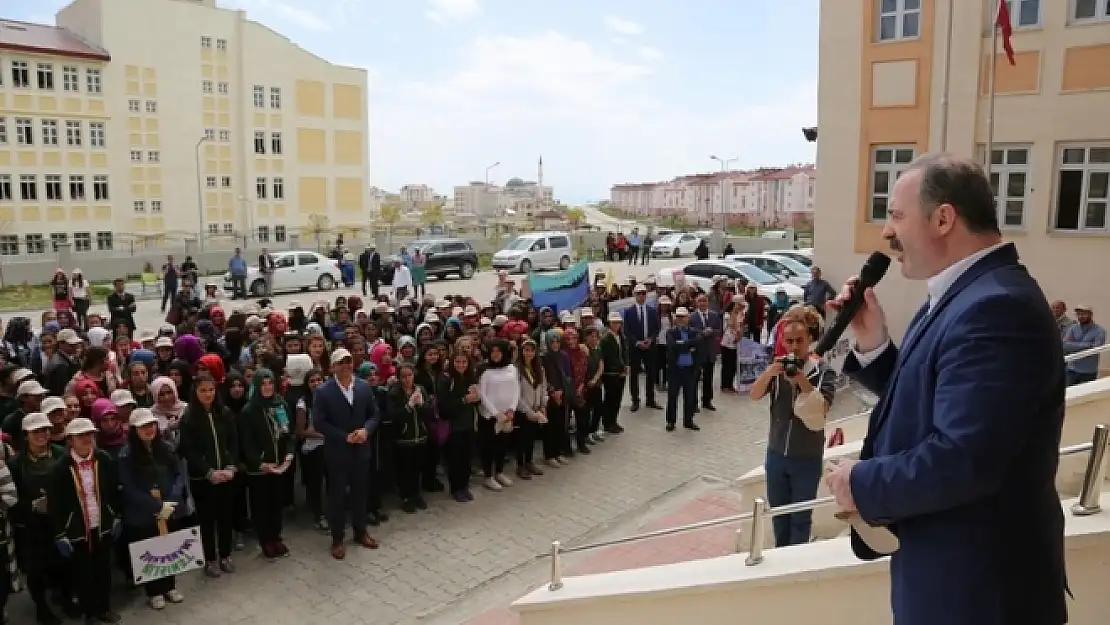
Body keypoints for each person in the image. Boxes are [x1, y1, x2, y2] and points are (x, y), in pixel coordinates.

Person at [824, 154, 1067, 625]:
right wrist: (873, 343)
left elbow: (964, 458)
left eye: (896, 216)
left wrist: (859, 481)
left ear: (943, 218)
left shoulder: (995, 307)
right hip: (952, 585)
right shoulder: (964, 294)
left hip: (979, 598)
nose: (887, 233)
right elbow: (933, 400)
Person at [748, 306, 834, 547]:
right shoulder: (777, 370)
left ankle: (796, 560)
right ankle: (780, 556)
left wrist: (802, 381)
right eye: (789, 341)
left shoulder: (823, 373)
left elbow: (823, 409)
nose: (794, 347)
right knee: (778, 514)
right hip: (776, 454)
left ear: (810, 340)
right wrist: (770, 373)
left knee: (800, 518)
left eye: (799, 341)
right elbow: (754, 395)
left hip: (806, 458)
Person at [49, 417, 122, 624]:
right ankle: (89, 612)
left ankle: (104, 608)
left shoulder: (104, 459)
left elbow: (115, 491)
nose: (86, 439)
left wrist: (116, 516)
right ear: (70, 440)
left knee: (103, 570)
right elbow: (56, 504)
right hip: (77, 529)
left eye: (89, 434)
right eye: (81, 436)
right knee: (83, 574)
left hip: (102, 525)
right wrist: (60, 533)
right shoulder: (60, 468)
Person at [312, 347, 381, 560]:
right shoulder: (324, 392)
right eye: (341, 362)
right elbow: (319, 422)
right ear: (333, 366)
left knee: (360, 494)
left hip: (361, 451)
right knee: (337, 497)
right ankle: (337, 539)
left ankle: (361, 531)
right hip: (338, 453)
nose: (346, 366)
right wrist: (343, 436)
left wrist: (366, 430)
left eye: (349, 361)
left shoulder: (363, 387)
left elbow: (375, 414)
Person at [117, 408, 187, 611]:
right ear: (134, 430)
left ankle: (170, 586)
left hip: (169, 508)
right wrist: (156, 505)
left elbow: (178, 474)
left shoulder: (166, 448)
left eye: (151, 425)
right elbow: (128, 487)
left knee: (169, 547)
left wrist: (172, 498)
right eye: (143, 426)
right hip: (143, 513)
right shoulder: (126, 454)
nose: (149, 429)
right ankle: (154, 591)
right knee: (150, 552)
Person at [664, 307, 701, 432]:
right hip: (675, 369)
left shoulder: (694, 331)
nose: (680, 319)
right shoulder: (670, 332)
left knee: (689, 396)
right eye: (678, 316)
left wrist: (682, 344)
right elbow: (672, 346)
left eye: (683, 316)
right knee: (672, 397)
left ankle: (688, 421)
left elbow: (698, 342)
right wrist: (688, 346)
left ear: (688, 318)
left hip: (689, 369)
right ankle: (671, 421)